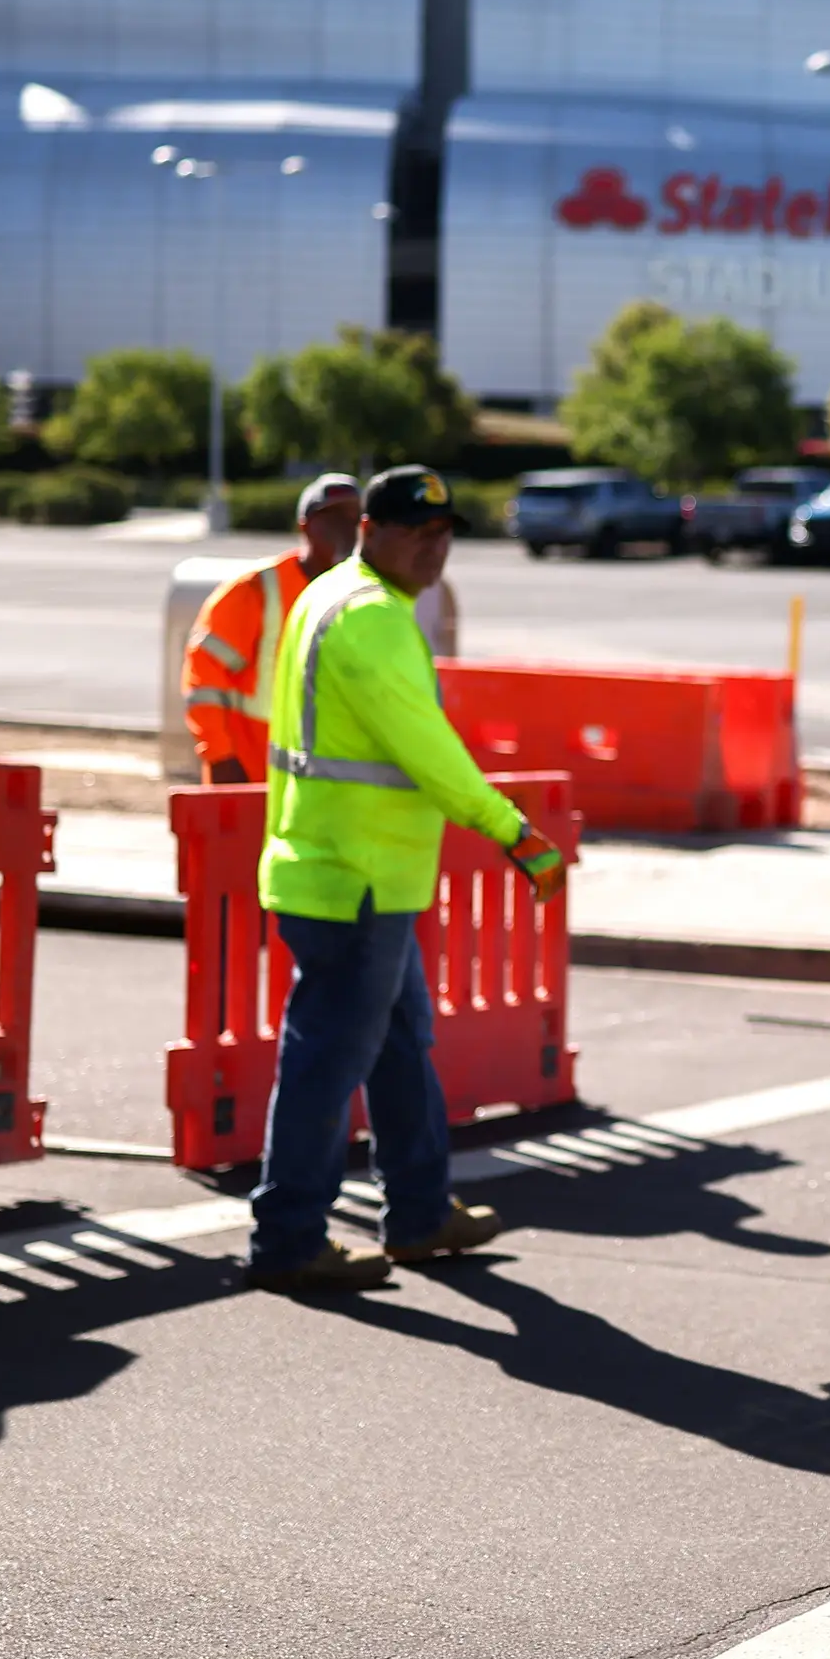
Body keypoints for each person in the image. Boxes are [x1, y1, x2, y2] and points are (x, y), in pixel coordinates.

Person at [248, 464, 568, 1293]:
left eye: (446, 531)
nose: (437, 547)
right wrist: (511, 829)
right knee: (328, 1058)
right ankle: (288, 1236)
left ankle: (421, 1210)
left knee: (396, 1044)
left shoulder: (332, 596)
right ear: (371, 531)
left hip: (353, 876)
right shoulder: (372, 620)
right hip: (352, 879)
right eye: (418, 531)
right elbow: (427, 749)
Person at [184, 473, 359, 784]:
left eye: (352, 517)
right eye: (331, 516)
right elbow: (204, 678)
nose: (344, 527)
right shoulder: (256, 590)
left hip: (316, 784)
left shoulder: (358, 595)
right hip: (246, 774)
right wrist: (220, 756)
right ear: (304, 525)